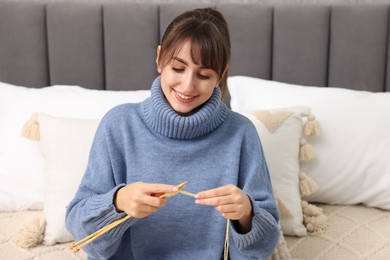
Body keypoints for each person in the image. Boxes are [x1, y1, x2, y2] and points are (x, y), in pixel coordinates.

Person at [65, 7, 279, 260]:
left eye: (203, 75)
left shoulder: (241, 134)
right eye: (178, 68)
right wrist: (118, 201)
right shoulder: (118, 125)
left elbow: (264, 244)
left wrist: (246, 213)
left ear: (220, 76)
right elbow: (80, 229)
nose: (187, 86)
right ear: (159, 59)